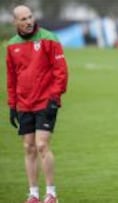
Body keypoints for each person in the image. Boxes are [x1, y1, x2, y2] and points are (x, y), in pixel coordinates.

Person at [6, 5, 68, 203]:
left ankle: (51, 193)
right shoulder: (11, 45)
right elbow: (11, 78)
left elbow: (61, 71)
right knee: (28, 148)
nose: (28, 21)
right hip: (24, 104)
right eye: (23, 19)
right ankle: (33, 194)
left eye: (30, 17)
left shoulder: (49, 38)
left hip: (46, 101)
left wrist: (55, 97)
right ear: (15, 22)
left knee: (41, 145)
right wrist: (12, 105)